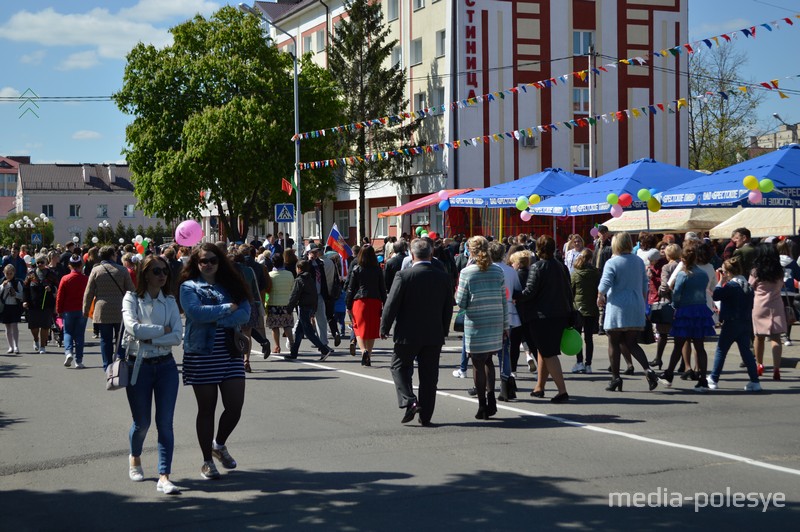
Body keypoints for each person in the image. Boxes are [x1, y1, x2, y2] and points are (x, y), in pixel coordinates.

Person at [180, 243, 251, 480]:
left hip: (229, 352)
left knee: (234, 406)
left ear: (220, 262)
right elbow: (195, 314)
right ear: (196, 264)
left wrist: (216, 316)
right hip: (201, 354)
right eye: (203, 261)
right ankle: (207, 461)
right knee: (207, 409)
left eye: (213, 260)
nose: (208, 264)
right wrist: (226, 310)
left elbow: (245, 313)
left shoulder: (231, 285)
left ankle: (219, 444)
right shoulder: (189, 286)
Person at [122, 255, 183, 494]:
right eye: (156, 271)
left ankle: (164, 475)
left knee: (165, 423)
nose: (162, 275)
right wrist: (161, 331)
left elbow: (177, 336)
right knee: (142, 423)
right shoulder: (132, 298)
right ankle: (135, 457)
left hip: (166, 366)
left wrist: (148, 336)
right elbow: (133, 328)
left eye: (165, 271)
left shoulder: (170, 301)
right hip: (139, 366)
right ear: (145, 273)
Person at [380, 238, 453, 426]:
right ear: (431, 254)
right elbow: (448, 308)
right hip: (433, 333)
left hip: (407, 333)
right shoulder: (443, 277)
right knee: (429, 377)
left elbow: (391, 304)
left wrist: (384, 327)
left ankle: (409, 400)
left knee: (398, 367)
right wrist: (444, 330)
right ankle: (426, 416)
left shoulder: (404, 276)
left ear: (412, 255)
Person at [597, 233, 659, 392]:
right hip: (635, 304)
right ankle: (648, 370)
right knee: (631, 342)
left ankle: (616, 378)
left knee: (614, 342)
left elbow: (605, 284)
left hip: (618, 305)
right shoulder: (638, 261)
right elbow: (645, 284)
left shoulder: (612, 262)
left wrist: (599, 296)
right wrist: (642, 302)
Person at [456, 236, 508, 419]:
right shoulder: (497, 270)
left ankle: (482, 405)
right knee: (489, 360)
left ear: (470, 251)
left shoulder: (467, 272)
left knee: (477, 363)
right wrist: (505, 324)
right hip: (495, 319)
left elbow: (460, 302)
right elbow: (503, 299)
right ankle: (491, 398)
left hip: (476, 320)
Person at [515, 235, 571, 402]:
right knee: (543, 350)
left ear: (538, 249)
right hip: (560, 314)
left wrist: (515, 295)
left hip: (542, 316)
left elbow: (530, 291)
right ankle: (539, 387)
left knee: (548, 353)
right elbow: (568, 289)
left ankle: (562, 390)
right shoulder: (560, 266)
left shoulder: (537, 267)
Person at [657, 244, 716, 391]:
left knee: (679, 345)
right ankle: (702, 378)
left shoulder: (683, 275)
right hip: (700, 310)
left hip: (685, 310)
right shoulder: (703, 274)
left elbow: (676, 295)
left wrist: (675, 305)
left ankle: (669, 373)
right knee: (699, 346)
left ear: (683, 259)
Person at [708, 257, 761, 391]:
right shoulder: (748, 286)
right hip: (745, 322)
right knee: (746, 352)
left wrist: (720, 281)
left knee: (721, 350)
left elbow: (716, 295)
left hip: (731, 322)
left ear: (728, 273)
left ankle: (714, 378)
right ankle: (755, 381)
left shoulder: (731, 286)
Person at [83, 246, 135, 369]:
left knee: (105, 339)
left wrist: (85, 309)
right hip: (120, 309)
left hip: (102, 309)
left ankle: (107, 366)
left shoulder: (96, 271)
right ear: (112, 255)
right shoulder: (122, 270)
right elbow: (131, 291)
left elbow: (89, 292)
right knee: (121, 338)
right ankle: (120, 361)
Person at [750, 243, 787, 380]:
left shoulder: (756, 271)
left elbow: (750, 286)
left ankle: (759, 364)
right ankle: (776, 368)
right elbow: (782, 284)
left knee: (758, 336)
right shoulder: (779, 271)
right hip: (776, 304)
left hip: (760, 305)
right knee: (776, 338)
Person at [346, 245, 387, 367]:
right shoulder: (378, 269)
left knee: (358, 328)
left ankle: (363, 350)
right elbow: (382, 289)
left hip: (359, 301)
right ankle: (368, 354)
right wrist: (384, 304)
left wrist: (348, 305)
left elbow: (351, 289)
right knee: (372, 329)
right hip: (375, 301)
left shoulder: (356, 269)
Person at [287, 259, 333, 361]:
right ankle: (293, 352)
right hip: (310, 306)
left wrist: (289, 308)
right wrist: (314, 307)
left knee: (308, 331)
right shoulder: (310, 279)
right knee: (299, 330)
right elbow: (314, 294)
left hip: (303, 306)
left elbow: (294, 295)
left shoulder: (299, 280)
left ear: (298, 269)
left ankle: (323, 349)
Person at [650, 243, 681, 369]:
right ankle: (684, 363)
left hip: (668, 301)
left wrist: (660, 292)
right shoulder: (683, 266)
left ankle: (658, 358)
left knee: (662, 333)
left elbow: (664, 286)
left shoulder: (667, 267)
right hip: (682, 302)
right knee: (681, 335)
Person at [570, 248, 600, 374]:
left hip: (578, 309)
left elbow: (571, 291)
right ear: (591, 259)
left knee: (578, 337)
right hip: (592, 308)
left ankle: (579, 362)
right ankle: (589, 364)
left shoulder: (576, 274)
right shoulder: (596, 273)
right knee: (589, 338)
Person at [55, 255, 88, 368]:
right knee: (79, 335)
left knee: (67, 332)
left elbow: (60, 296)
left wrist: (59, 310)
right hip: (82, 310)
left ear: (70, 266)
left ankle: (68, 352)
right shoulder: (85, 279)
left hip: (68, 310)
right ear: (81, 265)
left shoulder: (65, 279)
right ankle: (78, 360)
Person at [22, 253, 59, 354]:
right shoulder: (31, 274)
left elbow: (58, 287)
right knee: (33, 326)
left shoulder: (51, 274)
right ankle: (36, 339)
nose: (39, 264)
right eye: (37, 262)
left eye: (41, 262)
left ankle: (43, 346)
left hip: (47, 304)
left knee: (45, 325)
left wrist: (51, 289)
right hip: (32, 304)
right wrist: (25, 300)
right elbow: (25, 288)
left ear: (46, 262)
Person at [266, 253, 295, 355]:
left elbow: (267, 290)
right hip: (287, 303)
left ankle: (277, 346)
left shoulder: (270, 275)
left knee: (275, 327)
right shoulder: (289, 274)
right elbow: (292, 288)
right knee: (287, 325)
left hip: (273, 303)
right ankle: (292, 345)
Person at [0, 264, 24, 354]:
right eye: (7, 273)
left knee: (14, 326)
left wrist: (16, 294)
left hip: (14, 306)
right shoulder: (2, 282)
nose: (9, 275)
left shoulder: (17, 282)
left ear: (14, 273)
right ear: (4, 273)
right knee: (7, 327)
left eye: (11, 273)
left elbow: (21, 295)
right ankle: (10, 346)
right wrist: (2, 286)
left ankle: (16, 346)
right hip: (5, 306)